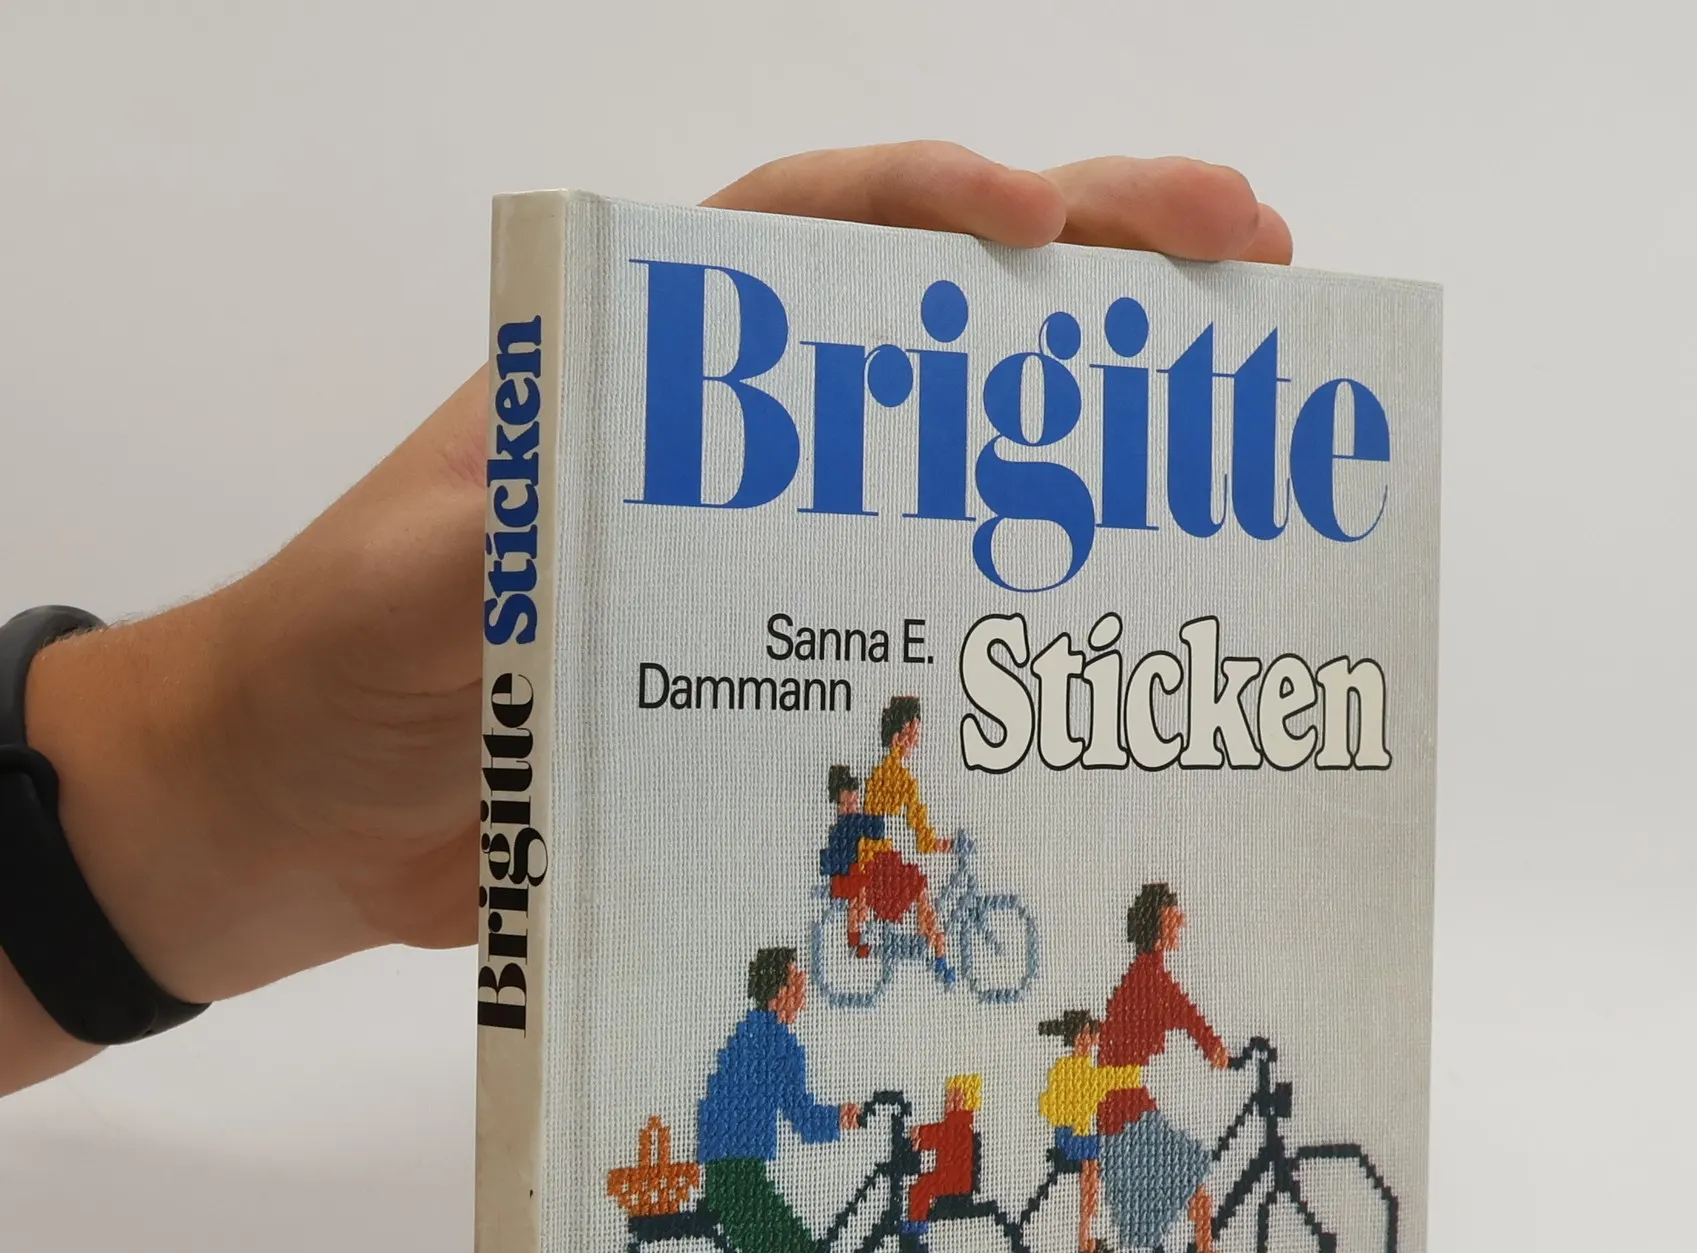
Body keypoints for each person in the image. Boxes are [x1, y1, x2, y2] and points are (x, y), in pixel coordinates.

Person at [0, 145, 1291, 1099]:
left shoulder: (891, 778)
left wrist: (214, 791)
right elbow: (892, 820)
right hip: (854, 875)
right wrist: (219, 773)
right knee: (901, 887)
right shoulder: (882, 787)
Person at [695, 946, 861, 1253]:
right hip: (741, 1176)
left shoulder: (746, 1032)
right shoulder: (778, 1045)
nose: (803, 990)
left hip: (723, 1172)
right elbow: (804, 1121)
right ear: (779, 993)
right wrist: (843, 1118)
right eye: (796, 983)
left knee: (763, 1235)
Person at [1096, 883, 1239, 1253]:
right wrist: (1215, 1049)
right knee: (1194, 1177)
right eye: (1175, 917)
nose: (1183, 923)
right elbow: (1185, 1014)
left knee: (1193, 1184)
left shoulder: (1146, 974)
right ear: (1159, 925)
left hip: (1125, 1099)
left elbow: (1183, 1014)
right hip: (1122, 1105)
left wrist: (1211, 1045)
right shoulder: (1149, 978)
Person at [859, 694, 955, 987]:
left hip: (874, 855)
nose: (917, 739)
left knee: (918, 886)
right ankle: (938, 955)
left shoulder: (881, 773)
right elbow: (922, 834)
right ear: (899, 737)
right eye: (913, 732)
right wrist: (945, 845)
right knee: (920, 888)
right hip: (878, 861)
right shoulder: (899, 778)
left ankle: (931, 947)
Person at [1036, 1009, 1138, 1253]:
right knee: (1093, 1168)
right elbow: (1049, 1104)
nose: (1086, 1041)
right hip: (1070, 1138)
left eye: (1088, 1036)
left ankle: (1088, 1237)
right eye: (1082, 1035)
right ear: (1073, 1039)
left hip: (1082, 1137)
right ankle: (1086, 1238)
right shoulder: (1067, 1069)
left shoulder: (1084, 1070)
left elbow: (1113, 1079)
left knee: (1094, 1168)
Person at [905, 1073, 981, 1235]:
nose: (948, 1102)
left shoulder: (953, 1128)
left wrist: (917, 1135)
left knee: (921, 1187)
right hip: (956, 1179)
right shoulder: (964, 1128)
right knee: (923, 1184)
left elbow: (931, 1136)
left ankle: (916, 1227)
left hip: (950, 1180)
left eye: (952, 1099)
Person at [819, 764, 883, 957]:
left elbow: (876, 831)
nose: (849, 808)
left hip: (856, 872)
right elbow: (832, 856)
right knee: (856, 901)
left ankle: (860, 937)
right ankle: (856, 940)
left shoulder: (856, 822)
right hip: (846, 876)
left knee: (859, 899)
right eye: (844, 805)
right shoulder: (841, 827)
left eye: (853, 802)